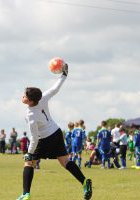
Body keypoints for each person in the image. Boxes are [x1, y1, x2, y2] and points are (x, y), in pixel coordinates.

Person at [17, 63, 92, 200]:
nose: (22, 96)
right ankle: (84, 182)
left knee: (29, 163)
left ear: (31, 101)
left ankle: (25, 193)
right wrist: (64, 75)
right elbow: (55, 88)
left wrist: (29, 153)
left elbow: (34, 138)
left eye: (25, 96)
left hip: (45, 138)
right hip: (56, 132)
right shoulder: (43, 97)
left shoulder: (30, 115)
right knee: (64, 161)